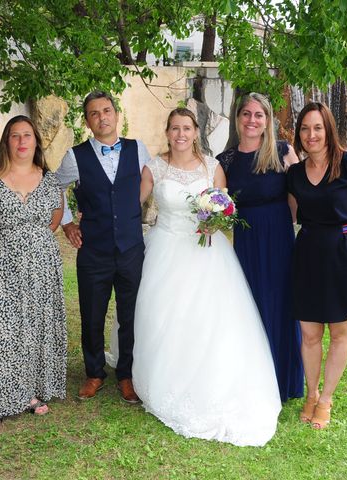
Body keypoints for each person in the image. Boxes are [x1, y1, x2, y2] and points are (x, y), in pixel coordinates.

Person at [132, 107, 281, 446]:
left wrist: (216, 220)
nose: (180, 134)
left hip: (207, 252)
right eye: (174, 128)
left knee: (210, 320)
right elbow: (131, 207)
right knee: (164, 317)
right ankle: (164, 378)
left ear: (196, 131)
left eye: (186, 128)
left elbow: (225, 208)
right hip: (165, 250)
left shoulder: (213, 167)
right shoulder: (153, 167)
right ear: (167, 132)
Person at [0, 115, 66, 427]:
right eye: (15, 136)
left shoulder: (49, 180)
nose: (22, 142)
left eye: (27, 135)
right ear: (6, 141)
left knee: (33, 328)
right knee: (0, 330)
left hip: (41, 268)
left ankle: (30, 392)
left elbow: (54, 219)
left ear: (36, 141)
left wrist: (32, 245)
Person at [55, 91, 150, 403]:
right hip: (93, 250)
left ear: (116, 114)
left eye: (106, 110)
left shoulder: (138, 150)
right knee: (92, 315)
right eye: (94, 113)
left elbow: (155, 185)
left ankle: (127, 375)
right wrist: (67, 222)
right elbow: (53, 186)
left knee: (130, 314)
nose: (102, 117)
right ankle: (94, 372)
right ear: (87, 121)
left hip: (131, 248)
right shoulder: (75, 156)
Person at [287, 102, 347, 429]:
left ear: (328, 129)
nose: (311, 135)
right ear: (299, 134)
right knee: (309, 334)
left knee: (340, 333)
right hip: (308, 254)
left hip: (345, 255)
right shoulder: (294, 174)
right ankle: (311, 394)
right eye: (305, 128)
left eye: (317, 128)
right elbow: (293, 215)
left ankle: (326, 399)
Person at [216, 93, 304, 403]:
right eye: (246, 114)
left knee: (281, 304)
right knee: (249, 305)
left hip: (279, 237)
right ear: (237, 118)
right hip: (247, 241)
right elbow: (217, 204)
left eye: (259, 115)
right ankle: (252, 379)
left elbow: (301, 196)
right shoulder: (225, 160)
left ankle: (284, 380)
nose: (252, 120)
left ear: (268, 121)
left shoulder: (282, 152)